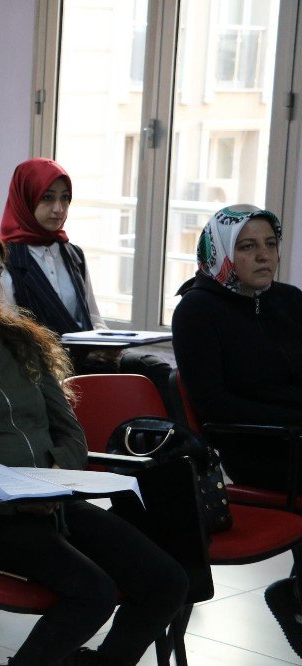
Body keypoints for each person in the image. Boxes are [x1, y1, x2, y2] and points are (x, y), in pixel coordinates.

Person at [0, 223, 188, 665]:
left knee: (167, 581)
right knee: (93, 593)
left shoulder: (20, 343)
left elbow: (70, 432)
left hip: (50, 503)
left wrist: (47, 479)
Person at [171, 205, 302, 658]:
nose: (264, 256)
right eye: (247, 247)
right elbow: (214, 406)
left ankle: (298, 600)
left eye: (270, 244)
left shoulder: (290, 300)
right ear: (223, 252)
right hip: (254, 444)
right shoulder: (198, 310)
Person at [0, 158, 174, 407]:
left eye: (65, 198)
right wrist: (79, 352)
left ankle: (175, 443)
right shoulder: (4, 260)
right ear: (25, 199)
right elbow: (10, 334)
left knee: (157, 370)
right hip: (43, 368)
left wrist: (108, 346)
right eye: (47, 198)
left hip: (88, 361)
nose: (59, 208)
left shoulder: (73, 254)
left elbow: (93, 317)